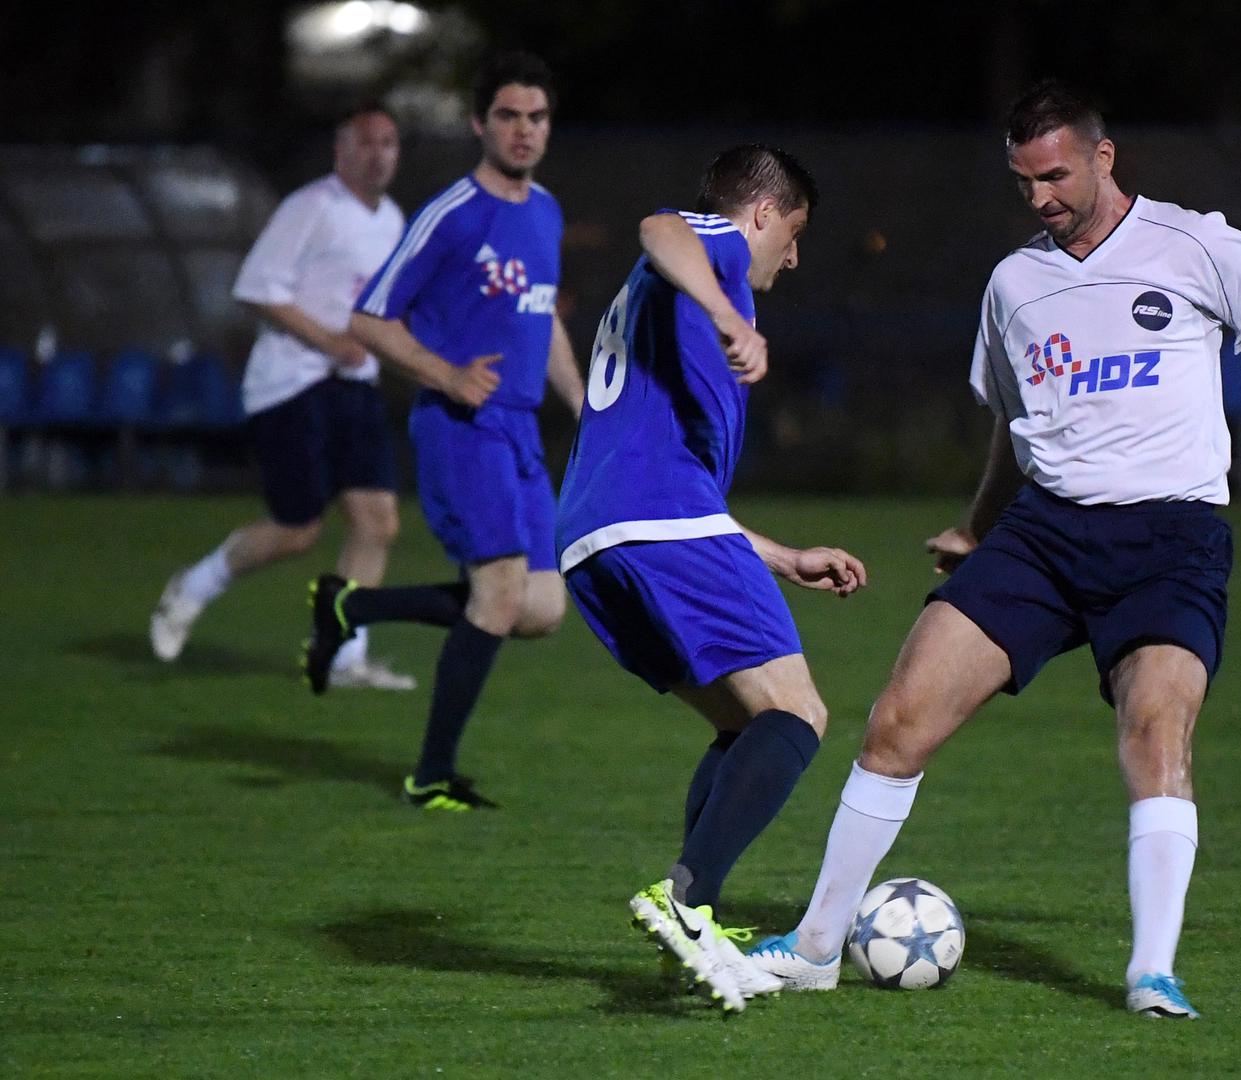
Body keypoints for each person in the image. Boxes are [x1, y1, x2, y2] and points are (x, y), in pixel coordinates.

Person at [747, 80, 1241, 1019]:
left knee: (1156, 734)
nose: (1040, 197)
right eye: (1023, 182)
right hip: (1043, 535)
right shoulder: (1015, 283)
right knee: (896, 720)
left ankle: (1151, 973)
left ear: (1102, 156)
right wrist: (975, 524)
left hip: (1171, 539)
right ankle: (815, 945)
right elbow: (1014, 420)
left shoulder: (1196, 245)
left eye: (1054, 176)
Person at [555, 145, 866, 1013]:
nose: (791, 257)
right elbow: (661, 226)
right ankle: (684, 900)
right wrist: (730, 316)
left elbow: (668, 472)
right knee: (798, 714)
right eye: (793, 233)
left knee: (743, 723)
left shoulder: (672, 304)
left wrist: (782, 555)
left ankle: (688, 924)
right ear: (761, 213)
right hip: (654, 525)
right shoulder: (713, 249)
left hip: (596, 538)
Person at [301, 51, 584, 811]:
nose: (523, 131)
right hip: (463, 425)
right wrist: (448, 376)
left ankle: (348, 608)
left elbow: (542, 319)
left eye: (536, 117)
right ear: (478, 123)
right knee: (495, 596)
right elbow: (367, 319)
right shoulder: (453, 213)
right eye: (507, 116)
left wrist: (584, 402)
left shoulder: (546, 211)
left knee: (542, 609)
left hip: (520, 430)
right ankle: (430, 773)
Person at [149, 104, 414, 690]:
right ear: (340, 151)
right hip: (294, 382)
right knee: (298, 529)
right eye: (366, 143)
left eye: (389, 144)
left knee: (377, 521)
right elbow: (257, 289)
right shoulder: (311, 207)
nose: (379, 155)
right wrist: (332, 342)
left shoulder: (393, 219)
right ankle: (190, 588)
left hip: (354, 385)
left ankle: (345, 657)